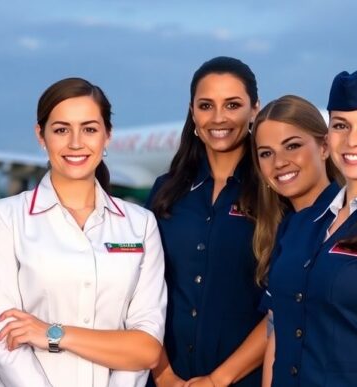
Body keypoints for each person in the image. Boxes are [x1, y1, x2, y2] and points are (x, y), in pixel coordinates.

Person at [0, 77, 167, 387]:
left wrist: (54, 333)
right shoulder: (6, 218)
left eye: (90, 129)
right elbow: (4, 343)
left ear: (108, 136)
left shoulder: (141, 224)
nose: (76, 143)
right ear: (41, 136)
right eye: (61, 129)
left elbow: (145, 350)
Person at [263, 69, 357, 386]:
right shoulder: (300, 225)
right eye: (341, 125)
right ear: (328, 136)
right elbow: (278, 333)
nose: (352, 140)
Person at [147, 56, 265, 387]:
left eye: (232, 105)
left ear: (255, 109)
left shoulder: (274, 195)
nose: (218, 118)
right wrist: (163, 373)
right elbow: (139, 289)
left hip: (243, 380)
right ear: (192, 111)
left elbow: (284, 304)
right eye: (206, 105)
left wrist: (217, 380)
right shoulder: (165, 191)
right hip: (166, 377)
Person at [248, 95, 341, 385]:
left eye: (292, 146)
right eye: (266, 153)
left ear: (324, 146)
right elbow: (277, 334)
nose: (279, 162)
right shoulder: (284, 230)